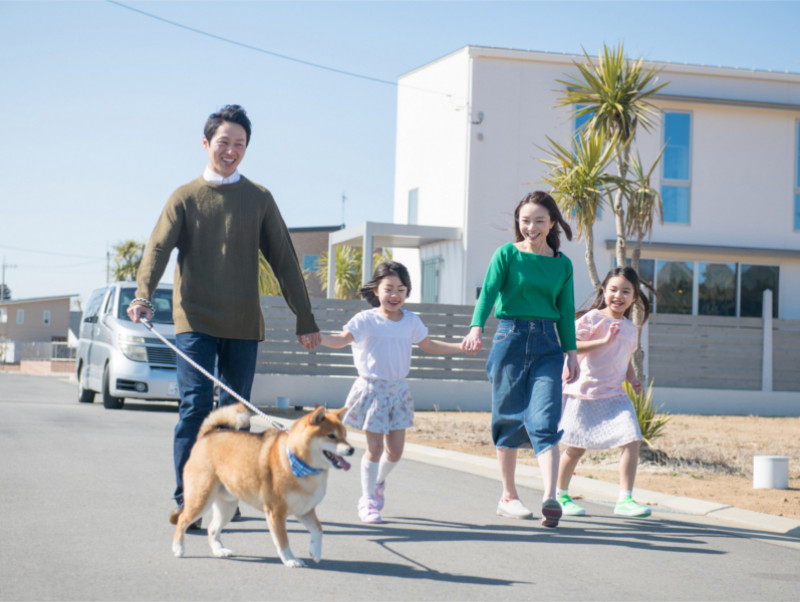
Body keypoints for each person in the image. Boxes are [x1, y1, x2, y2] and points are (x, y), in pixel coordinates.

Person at [127, 104, 321, 525]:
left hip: (242, 324)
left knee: (236, 416)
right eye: (223, 143)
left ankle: (228, 500)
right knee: (195, 407)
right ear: (206, 143)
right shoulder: (184, 197)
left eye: (239, 144)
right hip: (194, 320)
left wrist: (305, 319)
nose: (231, 151)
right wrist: (142, 295)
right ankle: (188, 500)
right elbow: (157, 249)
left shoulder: (259, 199)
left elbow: (285, 261)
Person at [319, 261, 476, 524]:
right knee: (375, 449)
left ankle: (378, 483)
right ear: (376, 290)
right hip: (372, 391)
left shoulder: (411, 321)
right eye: (389, 288)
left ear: (407, 292)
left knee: (396, 451)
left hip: (399, 391)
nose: (395, 295)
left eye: (401, 289)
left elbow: (427, 345)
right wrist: (317, 336)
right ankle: (367, 500)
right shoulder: (366, 320)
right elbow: (340, 339)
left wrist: (460, 347)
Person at [461, 191, 579, 528]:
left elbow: (567, 312)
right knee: (509, 418)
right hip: (510, 337)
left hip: (547, 344)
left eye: (539, 221)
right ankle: (508, 496)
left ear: (551, 223)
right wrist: (475, 328)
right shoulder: (507, 255)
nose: (531, 227)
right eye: (525, 220)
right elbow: (489, 292)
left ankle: (549, 498)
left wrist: (571, 353)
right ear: (519, 223)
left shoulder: (562, 264)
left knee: (544, 420)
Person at [556, 266, 655, 518]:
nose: (618, 296)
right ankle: (560, 495)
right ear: (603, 291)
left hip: (615, 396)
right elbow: (572, 346)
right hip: (584, 393)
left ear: (634, 297)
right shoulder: (590, 320)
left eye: (625, 291)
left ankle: (625, 499)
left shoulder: (631, 329)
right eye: (613, 289)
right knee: (576, 448)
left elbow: (624, 360)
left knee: (632, 439)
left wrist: (633, 381)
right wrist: (602, 341)